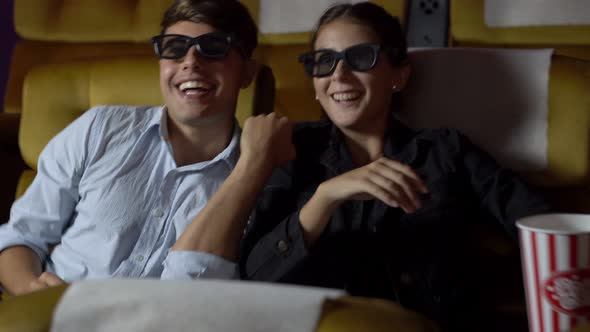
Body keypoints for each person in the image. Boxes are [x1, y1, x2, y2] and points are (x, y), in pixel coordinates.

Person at [237, 3, 552, 330]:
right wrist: (325, 197)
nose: (339, 75)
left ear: (399, 75)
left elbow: (545, 231)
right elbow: (253, 279)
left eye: (360, 58)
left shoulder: (446, 151)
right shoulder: (289, 150)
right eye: (325, 61)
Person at [0, 0, 292, 296]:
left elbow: (199, 296)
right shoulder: (99, 128)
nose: (190, 62)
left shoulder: (260, 178)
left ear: (247, 72)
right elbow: (21, 236)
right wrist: (32, 293)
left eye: (213, 47)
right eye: (175, 47)